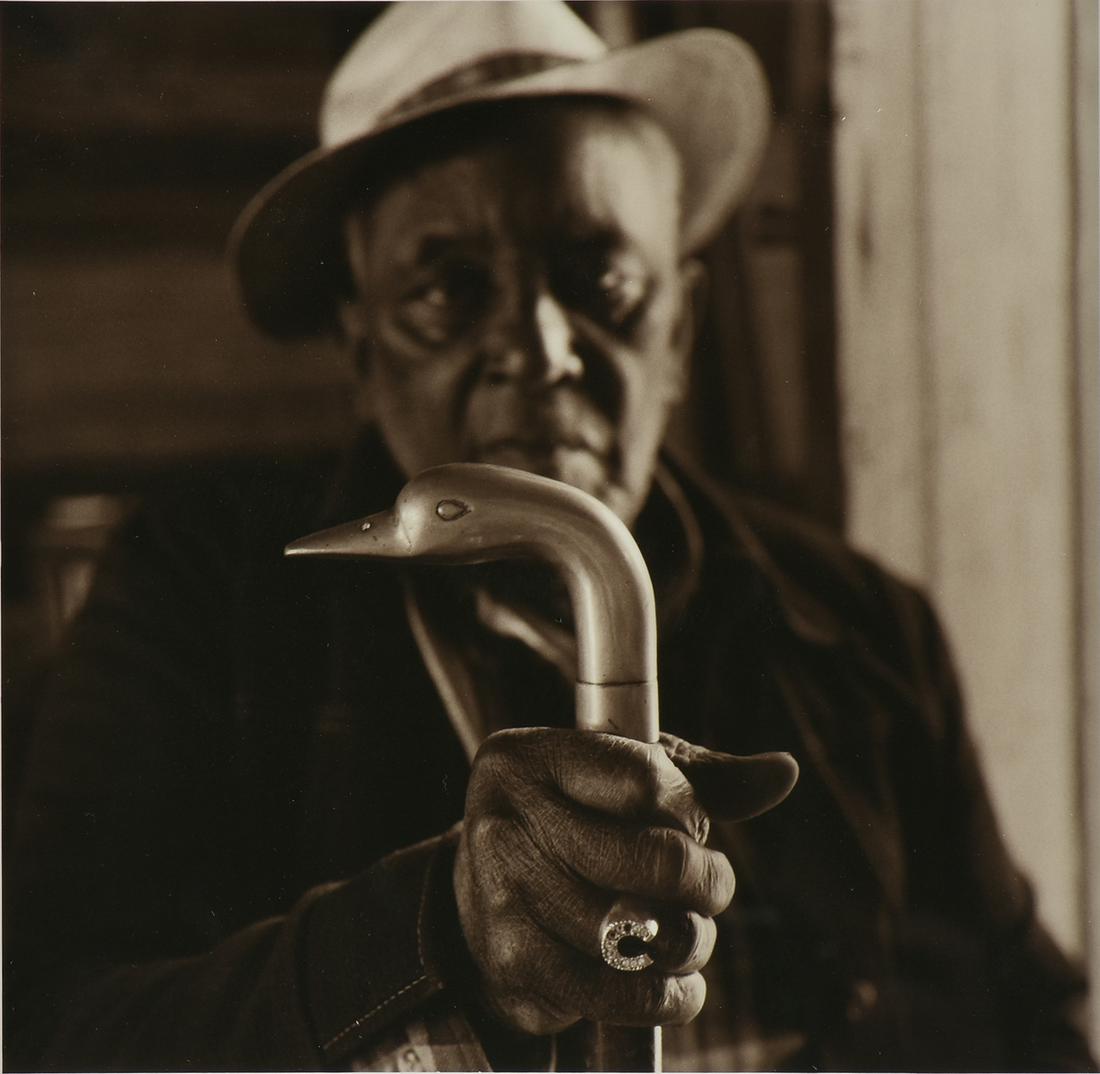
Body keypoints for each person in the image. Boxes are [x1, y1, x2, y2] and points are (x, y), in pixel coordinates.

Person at [7, 3, 1094, 1071]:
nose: (538, 349)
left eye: (600, 279)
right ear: (363, 353)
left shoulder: (865, 627)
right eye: (449, 289)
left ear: (678, 332)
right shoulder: (196, 597)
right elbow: (48, 1030)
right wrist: (436, 932)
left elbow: (1030, 1022)